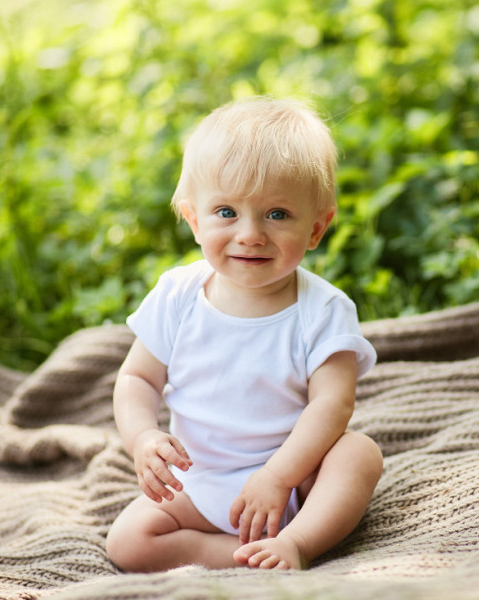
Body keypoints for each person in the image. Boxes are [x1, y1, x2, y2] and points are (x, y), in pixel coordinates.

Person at [105, 97, 383, 572]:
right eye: (227, 212)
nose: (250, 234)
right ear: (194, 220)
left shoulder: (323, 310)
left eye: (277, 214)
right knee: (127, 542)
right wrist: (143, 438)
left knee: (359, 454)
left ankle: (297, 543)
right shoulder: (178, 295)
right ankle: (231, 555)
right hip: (201, 482)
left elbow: (332, 405)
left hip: (297, 483)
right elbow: (138, 379)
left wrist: (279, 476)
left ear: (317, 228)